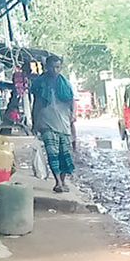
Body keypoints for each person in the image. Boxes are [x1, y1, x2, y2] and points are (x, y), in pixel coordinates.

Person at [30, 55, 76, 193]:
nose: (54, 69)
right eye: (52, 66)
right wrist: (34, 122)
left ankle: (63, 180)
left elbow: (71, 102)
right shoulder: (39, 84)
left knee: (65, 154)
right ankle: (57, 182)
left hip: (63, 123)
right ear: (46, 67)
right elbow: (36, 103)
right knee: (52, 153)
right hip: (46, 122)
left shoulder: (66, 84)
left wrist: (72, 118)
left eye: (57, 67)